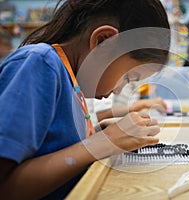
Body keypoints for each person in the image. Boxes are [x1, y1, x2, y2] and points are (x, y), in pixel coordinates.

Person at [0, 0, 170, 199]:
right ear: (103, 41)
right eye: (128, 78)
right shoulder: (39, 62)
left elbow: (54, 150)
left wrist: (98, 134)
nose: (119, 90)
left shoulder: (72, 82)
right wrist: (104, 142)